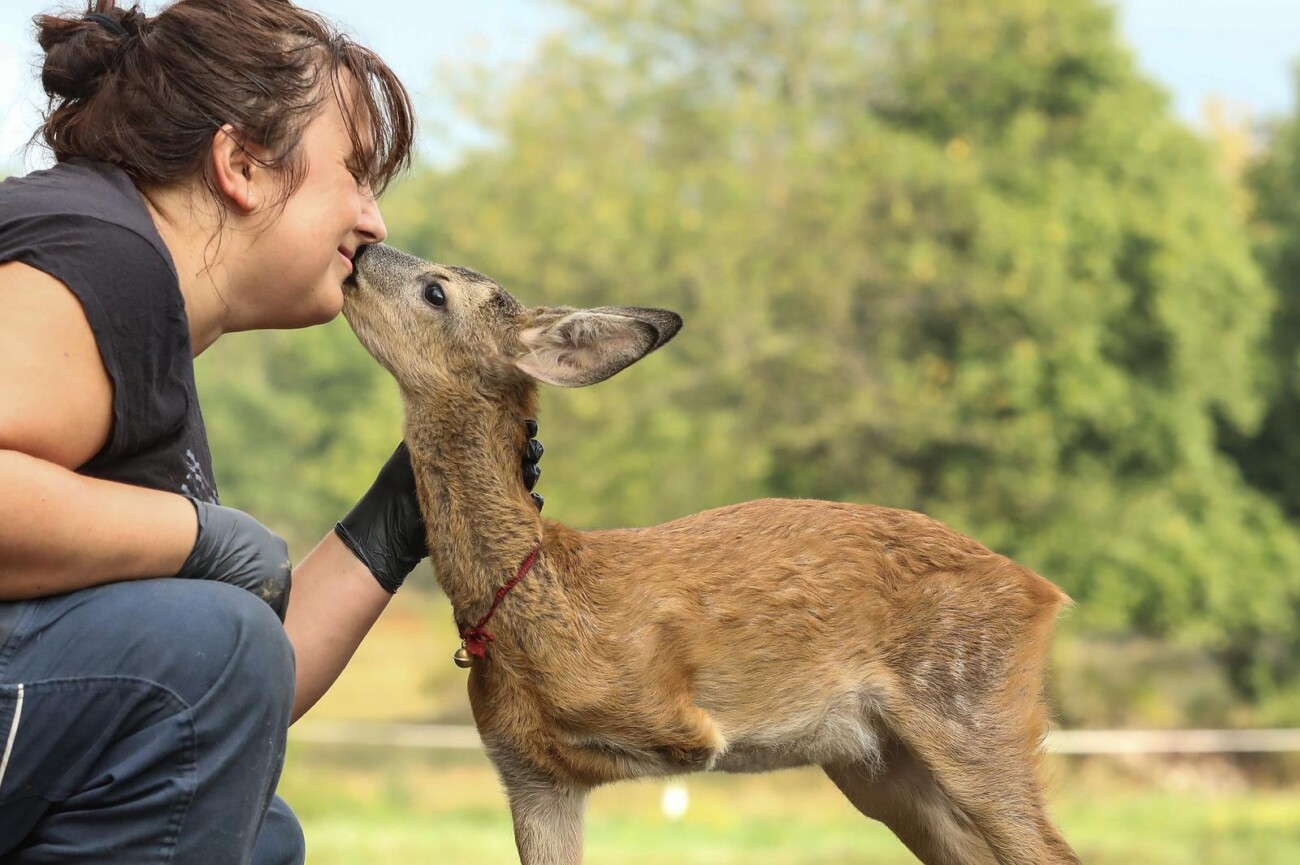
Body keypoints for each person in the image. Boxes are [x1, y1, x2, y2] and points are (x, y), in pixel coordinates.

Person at [0, 1, 543, 862]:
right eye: (358, 174)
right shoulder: (102, 255)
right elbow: (210, 658)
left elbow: (231, 693)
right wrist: (202, 537)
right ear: (242, 164)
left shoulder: (143, 318)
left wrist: (397, 517)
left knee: (257, 831)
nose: (375, 222)